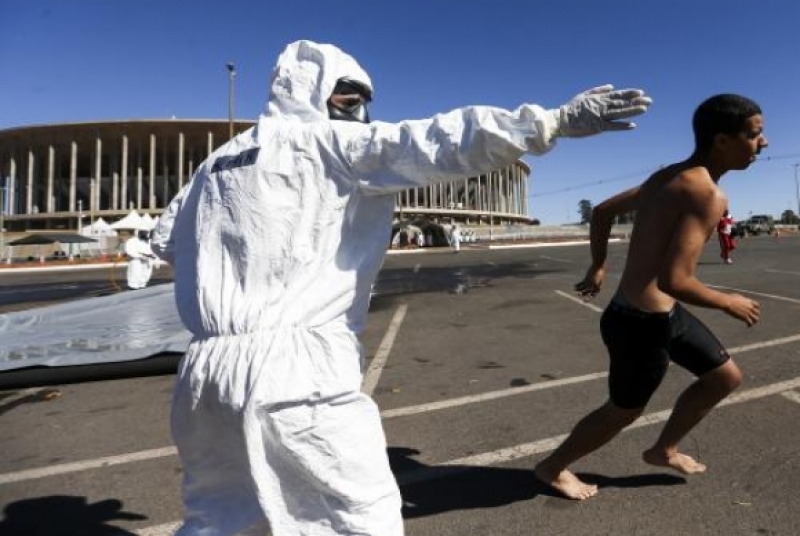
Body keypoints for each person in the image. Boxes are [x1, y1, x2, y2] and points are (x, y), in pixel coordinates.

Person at [151, 39, 652, 535]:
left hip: (204, 374)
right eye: (349, 98)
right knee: (357, 517)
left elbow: (166, 242)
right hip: (296, 371)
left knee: (222, 518)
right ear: (313, 92)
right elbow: (435, 141)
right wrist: (551, 122)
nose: (359, 111)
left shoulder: (214, 164)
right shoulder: (327, 143)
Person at [534, 94, 766, 501]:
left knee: (724, 377)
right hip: (639, 325)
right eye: (753, 134)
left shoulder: (667, 176)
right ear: (721, 141)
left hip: (662, 315)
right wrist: (727, 300)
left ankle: (663, 449)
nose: (762, 143)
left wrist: (598, 265)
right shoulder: (707, 194)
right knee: (623, 411)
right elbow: (675, 279)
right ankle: (551, 468)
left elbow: (603, 211)